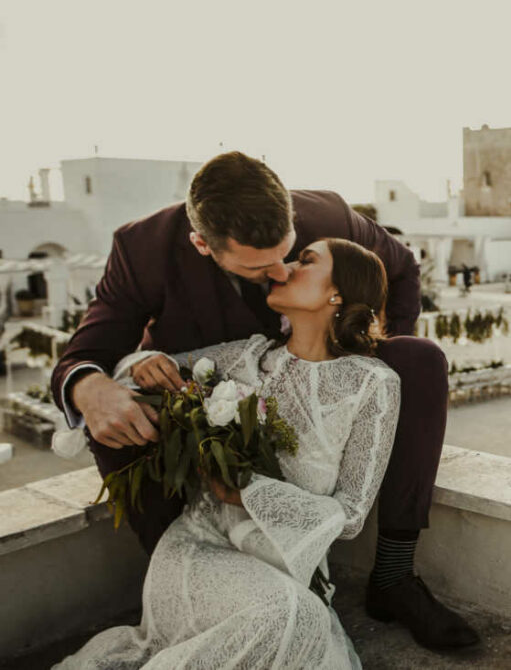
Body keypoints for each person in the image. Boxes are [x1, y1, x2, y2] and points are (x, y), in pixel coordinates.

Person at [50, 152, 478, 650]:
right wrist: (91, 386)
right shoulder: (142, 249)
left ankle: (395, 575)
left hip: (318, 366)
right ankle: (193, 581)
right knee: (118, 415)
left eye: (290, 253)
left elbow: (400, 270)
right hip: (209, 386)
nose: (281, 272)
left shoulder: (329, 218)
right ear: (201, 245)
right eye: (258, 266)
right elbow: (86, 354)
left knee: (419, 361)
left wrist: (361, 353)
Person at [56, 239, 400, 668]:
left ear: (338, 294)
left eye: (305, 261)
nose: (285, 268)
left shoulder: (373, 384)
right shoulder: (246, 357)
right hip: (199, 550)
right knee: (291, 616)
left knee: (298, 618)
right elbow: (137, 373)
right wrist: (145, 362)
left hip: (286, 571)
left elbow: (350, 515)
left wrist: (248, 493)